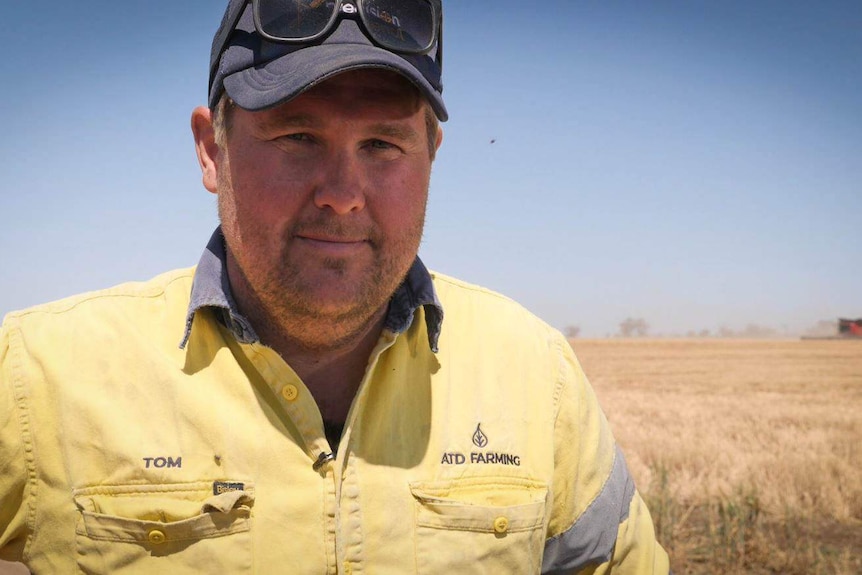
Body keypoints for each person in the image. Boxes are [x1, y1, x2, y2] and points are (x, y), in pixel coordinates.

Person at [0, 0, 669, 572]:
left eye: (382, 145)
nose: (344, 196)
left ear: (431, 152)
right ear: (211, 150)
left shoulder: (535, 375)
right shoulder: (38, 377)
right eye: (297, 136)